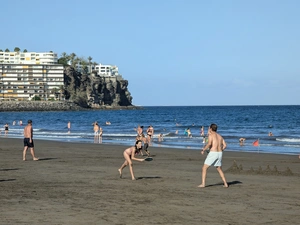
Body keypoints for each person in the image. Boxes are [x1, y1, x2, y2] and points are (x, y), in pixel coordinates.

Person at [198, 123, 228, 188]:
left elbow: (209, 144)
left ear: (211, 128)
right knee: (219, 169)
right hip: (219, 153)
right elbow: (225, 145)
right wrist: (221, 150)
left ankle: (203, 184)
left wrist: (203, 149)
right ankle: (225, 183)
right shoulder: (220, 136)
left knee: (204, 168)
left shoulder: (211, 135)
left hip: (213, 153)